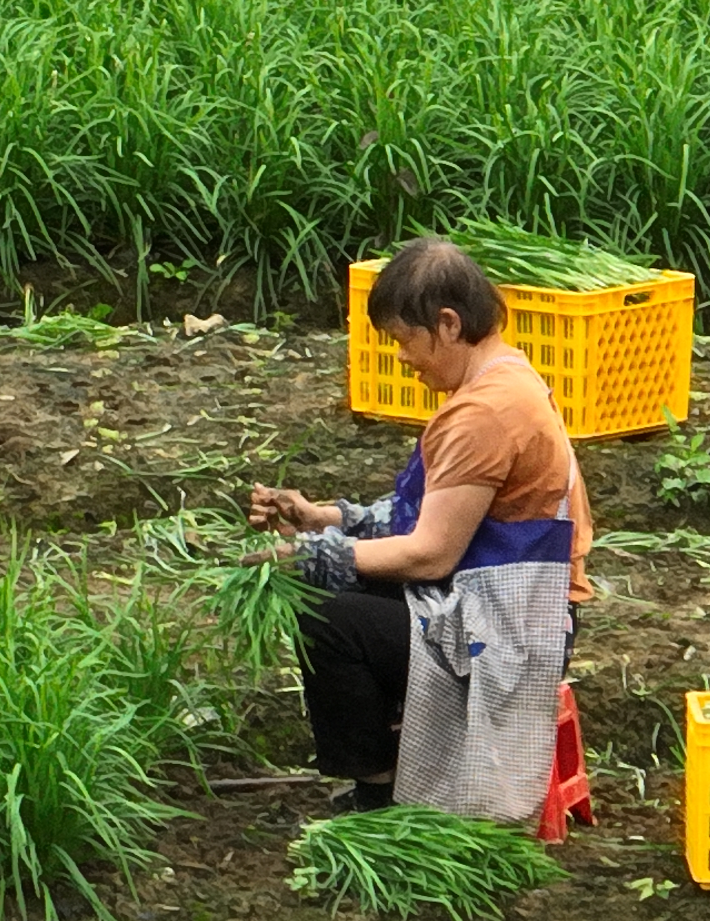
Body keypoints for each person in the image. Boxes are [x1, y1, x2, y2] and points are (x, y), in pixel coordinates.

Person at [246, 236, 597, 824]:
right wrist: (325, 518)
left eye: (404, 341)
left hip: (510, 627)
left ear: (449, 324)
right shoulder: (506, 378)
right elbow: (426, 517)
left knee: (328, 617)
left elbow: (430, 555)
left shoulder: (484, 414)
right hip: (501, 597)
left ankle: (378, 791)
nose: (403, 359)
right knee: (344, 585)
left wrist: (307, 557)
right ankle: (398, 745)